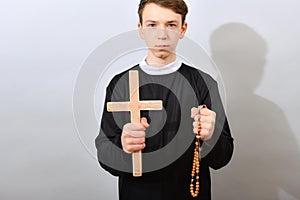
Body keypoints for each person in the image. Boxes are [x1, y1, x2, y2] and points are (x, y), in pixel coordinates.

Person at [95, 0, 234, 199]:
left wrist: (211, 136)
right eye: (152, 25)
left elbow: (223, 158)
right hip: (138, 194)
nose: (162, 35)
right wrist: (123, 146)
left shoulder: (203, 83)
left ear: (182, 29)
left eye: (171, 25)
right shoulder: (120, 84)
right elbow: (104, 155)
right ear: (141, 29)